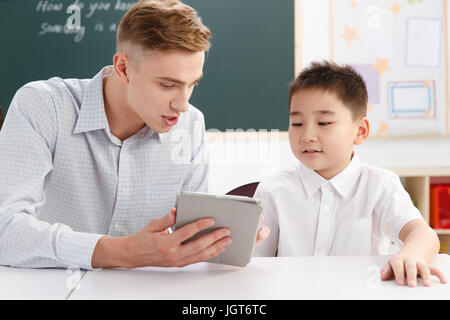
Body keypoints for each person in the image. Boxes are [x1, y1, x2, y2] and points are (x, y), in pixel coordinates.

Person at [0, 0, 268, 270]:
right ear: (123, 68)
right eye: (167, 85)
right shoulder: (44, 107)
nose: (182, 104)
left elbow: (189, 234)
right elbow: (5, 229)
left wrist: (217, 242)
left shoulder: (191, 123)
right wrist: (120, 252)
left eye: (192, 84)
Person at [253, 61, 447, 287]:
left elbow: (423, 234)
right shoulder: (274, 189)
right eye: (297, 123)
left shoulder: (380, 185)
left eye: (323, 122)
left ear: (360, 131)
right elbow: (254, 262)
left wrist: (411, 254)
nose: (307, 135)